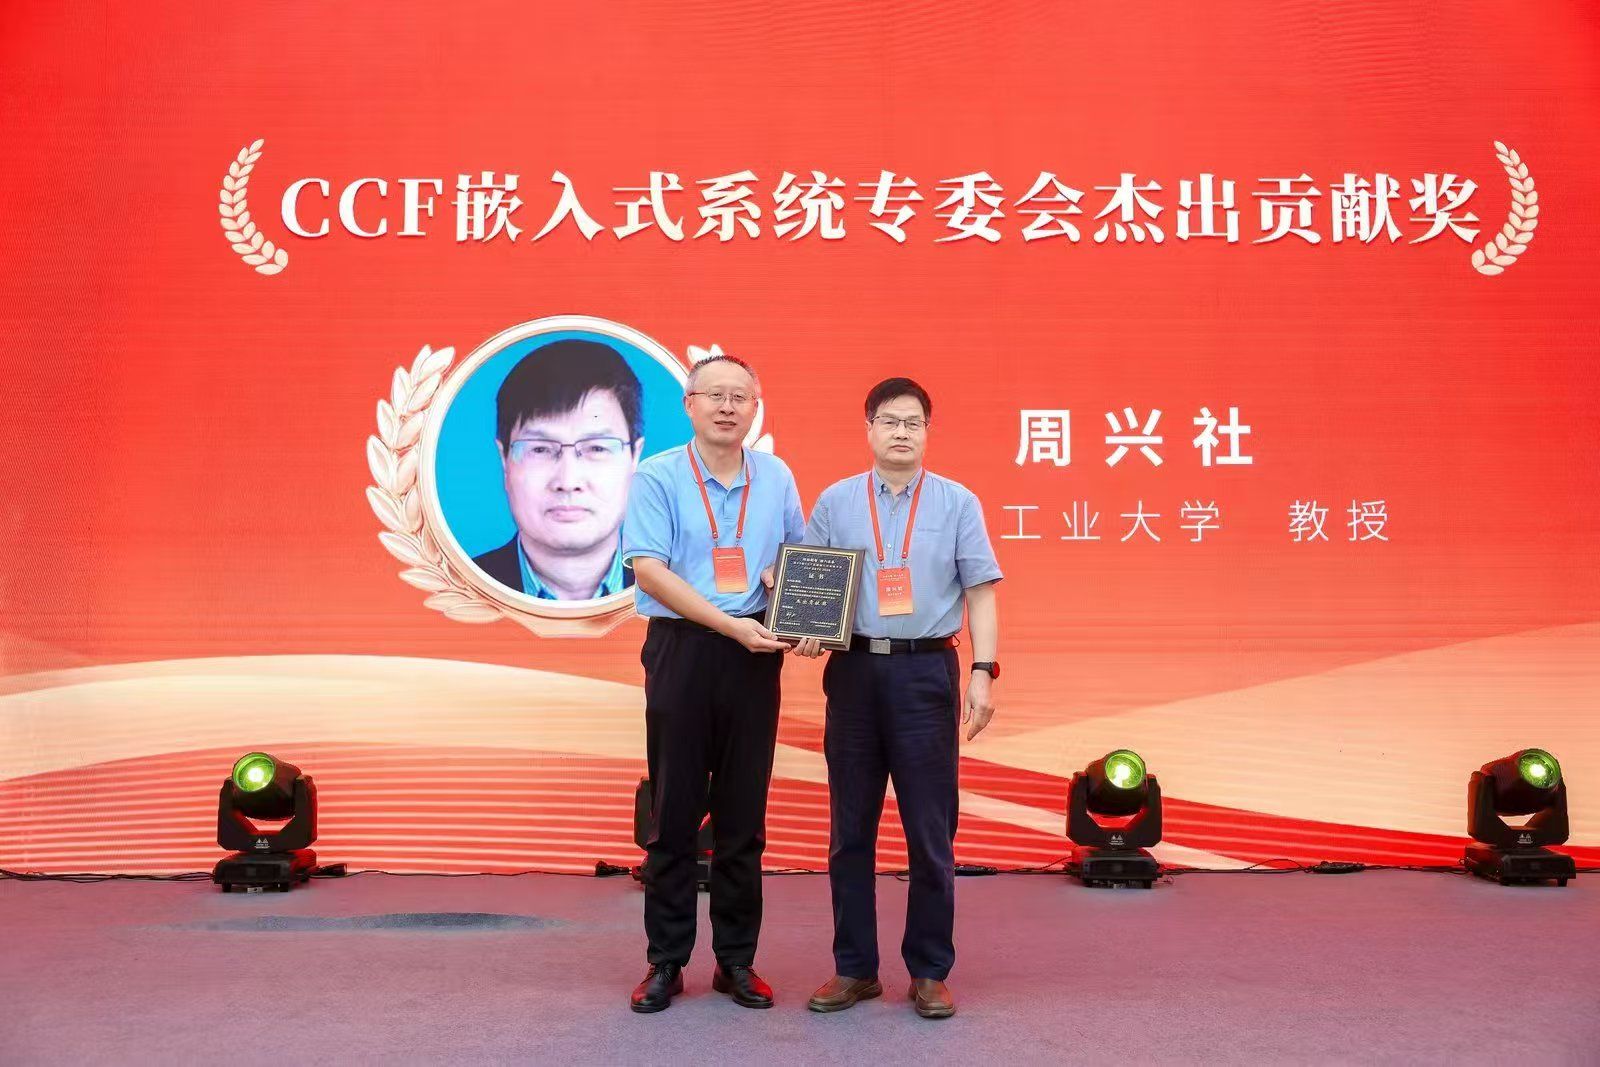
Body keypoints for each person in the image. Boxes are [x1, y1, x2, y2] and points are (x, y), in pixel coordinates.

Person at [795, 377, 1001, 1020]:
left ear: (927, 431)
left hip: (926, 672)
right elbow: (811, 583)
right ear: (869, 429)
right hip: (854, 672)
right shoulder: (836, 500)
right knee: (849, 830)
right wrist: (804, 626)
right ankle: (854, 968)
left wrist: (984, 670)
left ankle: (930, 971)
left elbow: (981, 591)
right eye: (889, 421)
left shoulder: (958, 502)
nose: (901, 432)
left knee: (931, 831)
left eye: (913, 422)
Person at [620, 354, 805, 1013]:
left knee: (743, 816)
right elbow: (649, 570)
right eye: (715, 395)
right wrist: (730, 626)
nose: (728, 407)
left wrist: (797, 608)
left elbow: (791, 562)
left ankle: (735, 960)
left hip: (754, 655)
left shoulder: (776, 476)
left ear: (755, 408)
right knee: (673, 814)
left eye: (740, 397)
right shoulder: (658, 475)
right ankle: (666, 960)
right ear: (690, 404)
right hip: (684, 650)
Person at [472, 339, 643, 601]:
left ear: (634, 459)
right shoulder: (456, 591)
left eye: (596, 448)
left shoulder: (691, 596)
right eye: (540, 449)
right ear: (504, 460)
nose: (568, 481)